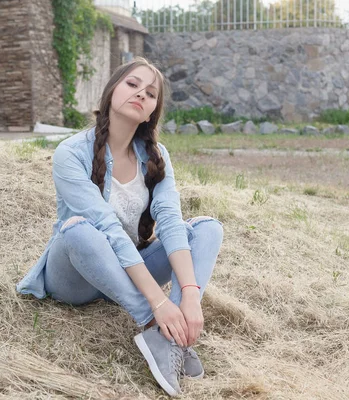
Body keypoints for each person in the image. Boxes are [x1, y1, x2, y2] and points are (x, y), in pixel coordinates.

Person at [16, 57, 223, 396]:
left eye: (151, 93)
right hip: (76, 274)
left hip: (128, 270)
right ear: (112, 90)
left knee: (208, 228)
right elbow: (108, 229)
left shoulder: (156, 155)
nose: (141, 94)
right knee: (80, 229)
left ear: (152, 111)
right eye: (132, 84)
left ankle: (175, 332)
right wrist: (157, 305)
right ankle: (156, 328)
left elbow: (170, 222)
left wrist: (189, 296)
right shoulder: (71, 152)